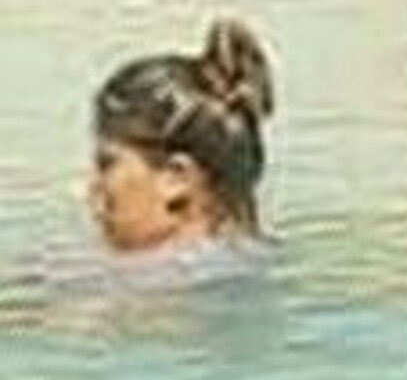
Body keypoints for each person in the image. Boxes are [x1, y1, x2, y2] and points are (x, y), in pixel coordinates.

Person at [83, 19, 276, 284]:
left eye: (108, 165)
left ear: (176, 179)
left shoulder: (141, 287)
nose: (92, 189)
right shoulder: (261, 265)